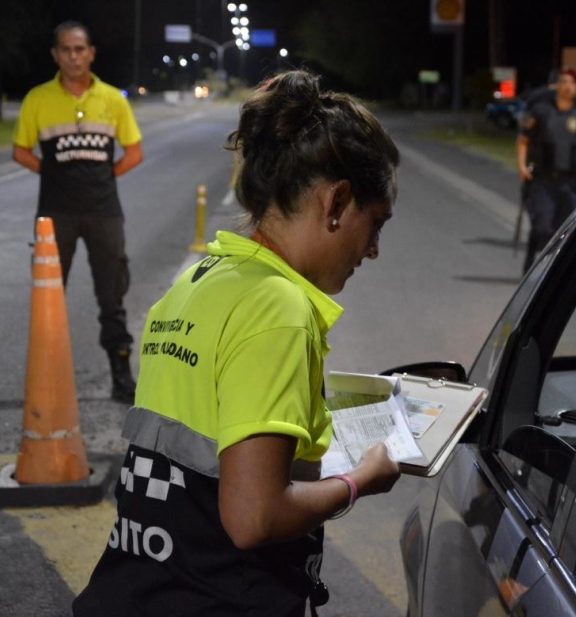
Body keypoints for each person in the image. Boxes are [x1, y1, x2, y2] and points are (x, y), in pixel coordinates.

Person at [72, 70, 402, 617]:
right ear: (337, 202)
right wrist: (358, 481)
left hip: (139, 589)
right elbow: (255, 517)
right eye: (376, 225)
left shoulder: (201, 281)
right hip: (217, 599)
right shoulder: (280, 312)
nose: (372, 251)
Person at [12, 21, 143, 404]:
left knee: (112, 297)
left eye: (79, 49)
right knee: (48, 297)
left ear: (91, 53)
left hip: (105, 212)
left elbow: (134, 153)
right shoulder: (37, 98)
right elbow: (20, 151)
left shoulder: (112, 99)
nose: (73, 56)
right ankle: (45, 378)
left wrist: (104, 177)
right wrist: (54, 176)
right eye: (65, 50)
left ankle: (121, 376)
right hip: (55, 214)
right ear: (55, 54)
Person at [517, 67, 576, 272]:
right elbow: (523, 140)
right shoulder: (541, 111)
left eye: (571, 83)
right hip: (543, 180)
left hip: (572, 183)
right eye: (563, 82)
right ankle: (534, 269)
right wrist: (522, 166)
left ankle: (553, 273)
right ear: (558, 86)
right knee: (543, 228)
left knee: (568, 231)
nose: (567, 87)